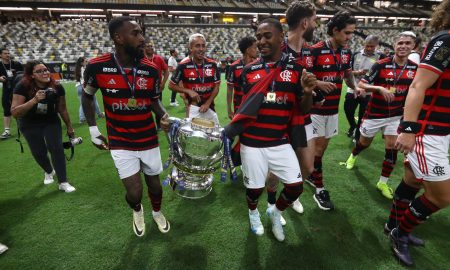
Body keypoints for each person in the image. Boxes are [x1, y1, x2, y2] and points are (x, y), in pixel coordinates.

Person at [225, 18, 316, 242]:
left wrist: (306, 92)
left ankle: (275, 211)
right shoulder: (248, 71)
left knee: (295, 187)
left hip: (280, 141)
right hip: (252, 143)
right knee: (254, 190)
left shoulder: (296, 68)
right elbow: (245, 109)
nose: (261, 41)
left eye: (267, 36)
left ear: (280, 36)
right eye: (258, 37)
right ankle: (253, 213)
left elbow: (303, 110)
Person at [82, 16, 170, 237]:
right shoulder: (97, 66)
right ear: (118, 38)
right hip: (120, 140)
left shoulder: (150, 70)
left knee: (156, 187)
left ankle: (157, 212)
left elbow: (153, 100)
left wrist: (164, 115)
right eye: (136, 33)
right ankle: (137, 210)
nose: (142, 38)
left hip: (148, 138)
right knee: (135, 193)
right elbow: (87, 96)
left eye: (141, 33)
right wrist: (93, 130)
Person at [386, 0, 450, 265]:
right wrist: (409, 130)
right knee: (442, 196)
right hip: (428, 132)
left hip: (439, 130)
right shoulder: (446, 40)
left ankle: (392, 225)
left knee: (412, 182)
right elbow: (417, 86)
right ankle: (400, 234)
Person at [345, 32, 418, 199]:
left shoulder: (415, 68)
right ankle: (354, 154)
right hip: (374, 114)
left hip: (396, 116)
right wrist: (379, 88)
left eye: (408, 43)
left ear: (413, 46)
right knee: (364, 143)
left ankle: (382, 182)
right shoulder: (380, 64)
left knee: (391, 148)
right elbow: (363, 84)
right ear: (394, 45)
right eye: (400, 43)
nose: (403, 46)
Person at [306, 11, 359, 210]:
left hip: (333, 110)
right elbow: (303, 75)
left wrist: (355, 87)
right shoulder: (316, 50)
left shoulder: (346, 52)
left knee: (321, 150)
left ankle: (310, 174)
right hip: (316, 109)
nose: (349, 37)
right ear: (334, 31)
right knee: (318, 150)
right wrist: (318, 82)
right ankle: (320, 190)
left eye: (352, 33)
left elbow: (347, 74)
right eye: (346, 33)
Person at [10, 60, 76, 193]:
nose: (45, 73)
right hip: (29, 122)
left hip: (50, 120)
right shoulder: (22, 86)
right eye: (39, 71)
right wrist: (34, 100)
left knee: (56, 148)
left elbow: (62, 109)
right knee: (39, 152)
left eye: (45, 70)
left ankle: (63, 181)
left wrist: (69, 127)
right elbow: (15, 112)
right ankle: (49, 171)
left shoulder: (57, 86)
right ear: (32, 75)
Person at [169, 33, 221, 123]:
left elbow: (216, 87)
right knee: (193, 134)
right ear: (190, 48)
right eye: (197, 46)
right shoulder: (183, 66)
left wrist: (208, 103)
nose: (201, 49)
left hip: (209, 106)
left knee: (214, 135)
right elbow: (171, 86)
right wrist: (188, 91)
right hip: (193, 107)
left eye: (203, 46)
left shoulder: (213, 64)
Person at [343, 35, 385, 141]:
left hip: (369, 91)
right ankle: (353, 125)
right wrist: (358, 72)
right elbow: (347, 71)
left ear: (376, 46)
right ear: (363, 44)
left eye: (372, 46)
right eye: (368, 46)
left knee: (362, 115)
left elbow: (382, 74)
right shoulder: (356, 54)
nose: (369, 48)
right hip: (354, 87)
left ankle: (357, 137)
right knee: (348, 110)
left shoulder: (381, 56)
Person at [226, 36, 258, 120]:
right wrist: (229, 109)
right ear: (248, 50)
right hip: (239, 105)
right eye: (255, 48)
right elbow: (229, 89)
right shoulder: (234, 66)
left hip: (255, 103)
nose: (257, 50)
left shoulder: (259, 65)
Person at [144, 42, 169, 130]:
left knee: (158, 106)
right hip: (144, 87)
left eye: (151, 46)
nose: (150, 47)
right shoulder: (141, 59)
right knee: (144, 107)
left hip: (157, 87)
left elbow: (166, 71)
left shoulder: (159, 58)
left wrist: (163, 83)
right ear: (144, 48)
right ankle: (147, 126)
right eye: (148, 46)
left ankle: (159, 126)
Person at [0, 48, 23, 139]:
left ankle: (24, 126)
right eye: (5, 53)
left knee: (20, 107)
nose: (8, 55)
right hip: (6, 89)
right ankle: (7, 131)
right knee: (6, 108)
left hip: (18, 89)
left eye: (9, 53)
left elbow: (24, 74)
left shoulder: (16, 64)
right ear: (0, 55)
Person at [74, 57, 104, 124]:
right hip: (84, 86)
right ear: (82, 63)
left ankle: (97, 114)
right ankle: (83, 118)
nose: (87, 62)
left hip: (78, 87)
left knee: (84, 102)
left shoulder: (78, 69)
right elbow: (86, 78)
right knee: (92, 101)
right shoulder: (83, 69)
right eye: (86, 61)